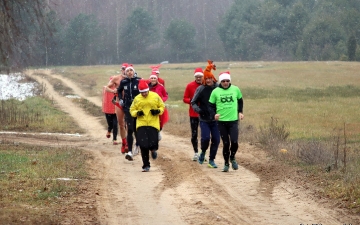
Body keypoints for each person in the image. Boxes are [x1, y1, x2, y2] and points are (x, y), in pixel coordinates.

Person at [209, 71, 244, 172]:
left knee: (234, 142)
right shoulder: (215, 91)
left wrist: (240, 112)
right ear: (220, 81)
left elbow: (240, 100)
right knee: (226, 143)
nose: (225, 82)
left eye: (227, 81)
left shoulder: (235, 89)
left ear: (230, 81)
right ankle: (226, 163)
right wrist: (214, 114)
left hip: (233, 120)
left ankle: (232, 157)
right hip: (221, 122)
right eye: (223, 81)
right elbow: (210, 106)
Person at [130, 79, 165, 172]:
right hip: (141, 123)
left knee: (153, 142)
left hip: (153, 123)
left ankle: (153, 150)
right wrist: (137, 113)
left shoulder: (155, 96)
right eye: (142, 93)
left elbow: (162, 106)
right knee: (143, 145)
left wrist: (158, 111)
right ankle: (146, 165)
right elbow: (132, 110)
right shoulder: (137, 98)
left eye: (145, 92)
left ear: (148, 90)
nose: (144, 94)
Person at [191, 60, 220, 168]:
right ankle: (203, 151)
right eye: (206, 79)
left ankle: (211, 160)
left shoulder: (218, 88)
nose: (208, 80)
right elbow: (193, 102)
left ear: (213, 78)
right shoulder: (201, 89)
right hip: (204, 119)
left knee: (216, 139)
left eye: (210, 78)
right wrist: (199, 110)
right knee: (206, 138)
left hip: (216, 119)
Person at [118, 64, 142, 161]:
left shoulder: (139, 81)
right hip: (128, 108)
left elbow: (145, 91)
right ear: (125, 73)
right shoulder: (123, 82)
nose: (129, 72)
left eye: (131, 71)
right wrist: (120, 99)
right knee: (130, 129)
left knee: (137, 128)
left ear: (134, 71)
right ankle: (130, 151)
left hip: (138, 108)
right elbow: (119, 91)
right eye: (127, 71)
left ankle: (138, 146)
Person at [105, 63, 128, 153]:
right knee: (121, 125)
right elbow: (107, 87)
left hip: (129, 103)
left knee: (129, 125)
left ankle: (128, 143)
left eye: (126, 69)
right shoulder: (116, 78)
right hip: (119, 103)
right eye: (123, 69)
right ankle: (124, 143)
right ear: (121, 69)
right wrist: (113, 91)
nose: (124, 70)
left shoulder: (132, 79)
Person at [183, 67, 203, 161]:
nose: (198, 78)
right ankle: (196, 152)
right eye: (197, 77)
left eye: (200, 76)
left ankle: (203, 152)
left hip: (204, 114)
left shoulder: (206, 85)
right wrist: (192, 101)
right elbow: (185, 98)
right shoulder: (190, 85)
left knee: (205, 135)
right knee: (194, 134)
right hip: (193, 114)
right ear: (195, 77)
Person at [148, 70, 169, 140]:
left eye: (154, 78)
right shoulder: (147, 87)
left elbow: (165, 95)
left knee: (160, 121)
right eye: (152, 78)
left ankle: (158, 131)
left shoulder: (161, 87)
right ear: (150, 79)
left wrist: (162, 101)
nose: (153, 80)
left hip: (159, 107)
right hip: (149, 107)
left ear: (157, 79)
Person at [102, 77, 118, 145]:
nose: (112, 83)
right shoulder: (106, 88)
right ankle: (109, 130)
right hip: (108, 109)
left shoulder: (118, 89)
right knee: (110, 124)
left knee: (115, 124)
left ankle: (115, 139)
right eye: (111, 82)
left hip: (116, 110)